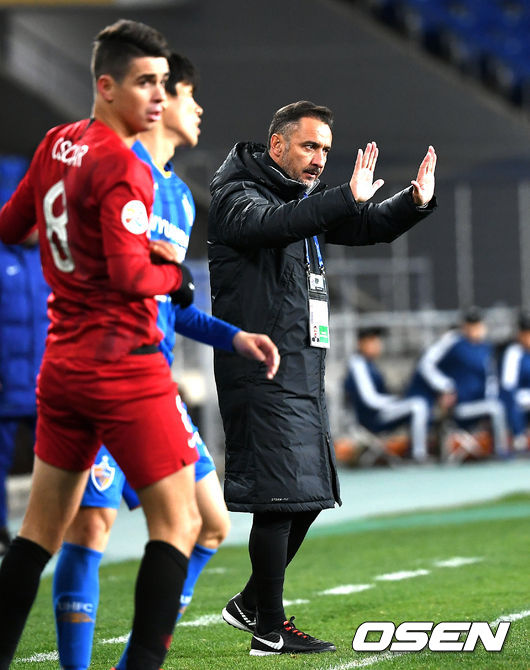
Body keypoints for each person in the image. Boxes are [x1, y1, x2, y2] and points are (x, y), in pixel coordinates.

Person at [0, 20, 278, 670]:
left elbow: (13, 226)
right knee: (169, 526)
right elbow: (135, 278)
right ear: (106, 85)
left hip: (64, 364)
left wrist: (229, 334)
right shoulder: (126, 166)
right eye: (148, 83)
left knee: (38, 535)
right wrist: (173, 276)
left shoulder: (58, 143)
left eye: (163, 84)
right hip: (125, 370)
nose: (160, 95)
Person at [207, 100, 437, 656]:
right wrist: (342, 198)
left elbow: (367, 225)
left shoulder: (301, 202)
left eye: (326, 150)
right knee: (279, 500)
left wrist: (412, 201)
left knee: (309, 493)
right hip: (261, 372)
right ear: (277, 145)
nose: (319, 159)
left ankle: (250, 604)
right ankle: (269, 630)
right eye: (310, 146)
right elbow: (274, 226)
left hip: (301, 372)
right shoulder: (238, 196)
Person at [0, 232, 49, 556]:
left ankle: (49, 528)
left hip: (47, 382)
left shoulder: (50, 256)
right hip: (6, 385)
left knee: (57, 460)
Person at [407, 306, 508, 456]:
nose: (474, 328)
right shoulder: (453, 341)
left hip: (479, 404)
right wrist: (445, 386)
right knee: (495, 408)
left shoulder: (486, 347)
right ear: (464, 325)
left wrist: (490, 395)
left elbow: (491, 378)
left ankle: (501, 451)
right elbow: (426, 363)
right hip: (458, 406)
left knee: (496, 405)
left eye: (477, 324)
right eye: (471, 324)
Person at [344, 327, 430, 461]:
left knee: (418, 402)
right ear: (361, 343)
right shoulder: (358, 365)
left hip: (378, 413)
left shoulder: (369, 364)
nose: (377, 345)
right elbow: (370, 399)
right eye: (372, 341)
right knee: (418, 405)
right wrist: (396, 400)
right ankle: (418, 455)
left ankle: (414, 451)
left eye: (378, 341)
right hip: (371, 417)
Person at [499, 309, 530, 452]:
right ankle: (519, 439)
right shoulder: (514, 352)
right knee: (512, 402)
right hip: (519, 397)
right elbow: (508, 384)